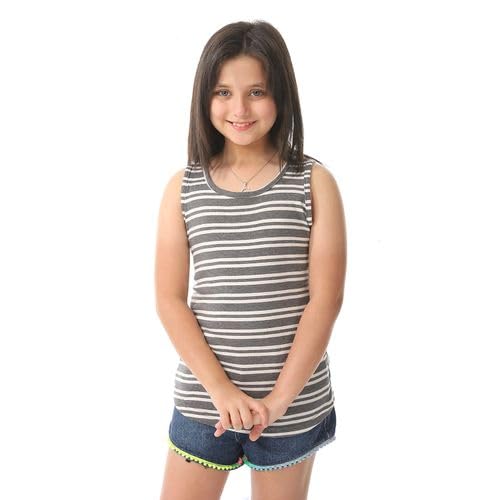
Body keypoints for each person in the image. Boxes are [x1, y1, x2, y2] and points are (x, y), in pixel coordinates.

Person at [155, 19, 347, 500]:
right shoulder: (183, 188)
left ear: (281, 94)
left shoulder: (313, 183)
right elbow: (170, 299)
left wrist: (278, 401)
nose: (239, 109)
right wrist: (221, 391)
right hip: (204, 403)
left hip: (291, 408)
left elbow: (325, 301)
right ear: (204, 98)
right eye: (223, 92)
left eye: (256, 92)